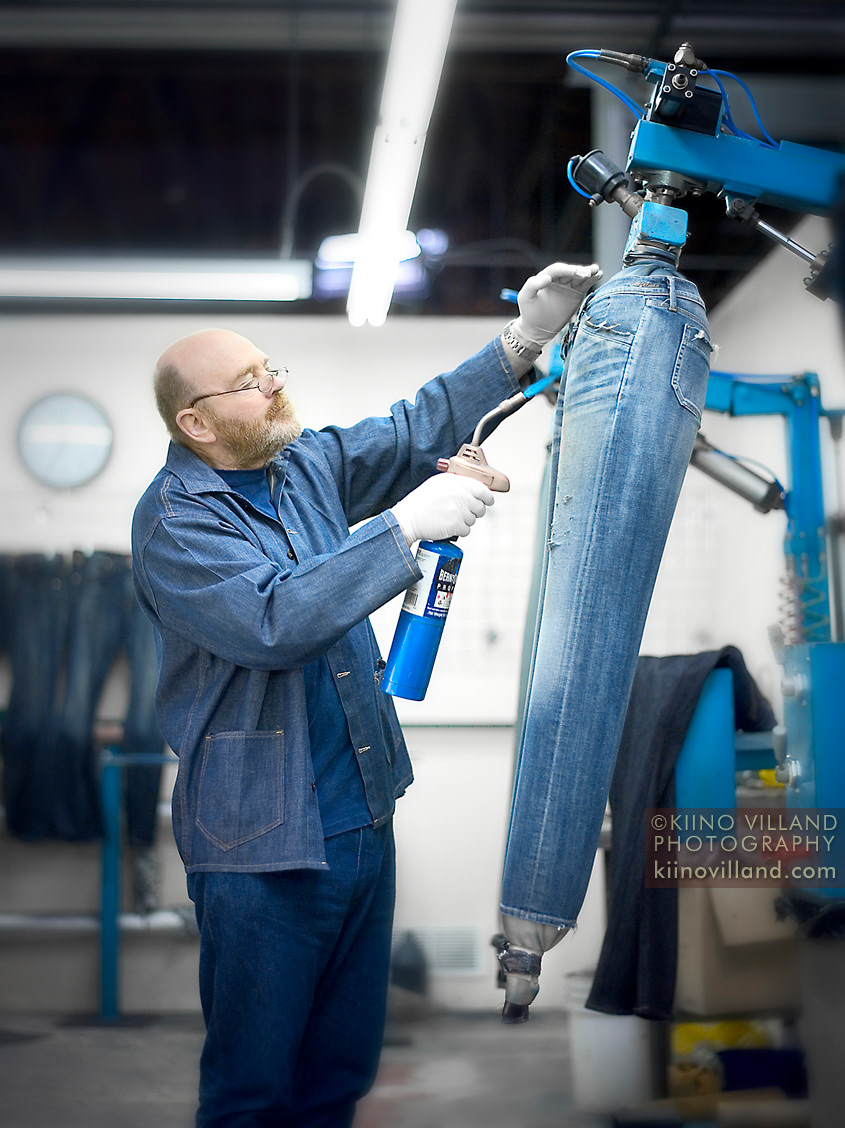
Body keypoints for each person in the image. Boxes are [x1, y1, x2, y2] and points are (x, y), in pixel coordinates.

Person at [131, 260, 600, 1128]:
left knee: (337, 1076)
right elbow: (270, 620)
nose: (274, 388)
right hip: (259, 846)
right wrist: (405, 527)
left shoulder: (297, 467)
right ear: (194, 422)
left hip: (361, 821)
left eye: (271, 369)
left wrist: (521, 341)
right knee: (252, 1086)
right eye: (248, 384)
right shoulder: (175, 521)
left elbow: (407, 428)